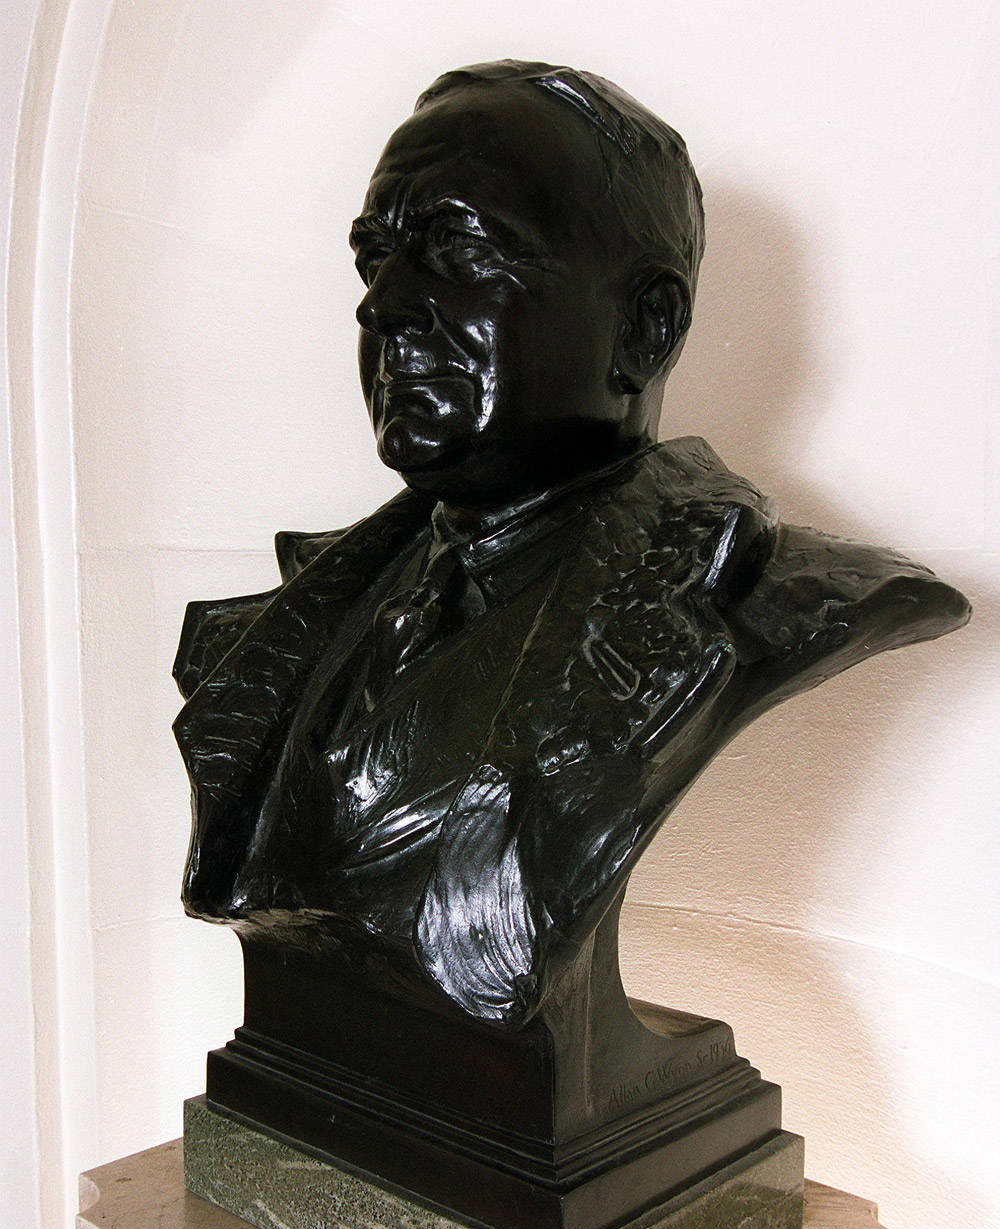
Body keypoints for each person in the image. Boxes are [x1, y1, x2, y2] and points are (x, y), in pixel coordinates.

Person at [174, 61, 969, 1030]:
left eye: (458, 249)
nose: (381, 305)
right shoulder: (305, 611)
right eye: (375, 255)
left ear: (645, 327)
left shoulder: (785, 598)